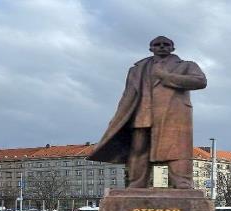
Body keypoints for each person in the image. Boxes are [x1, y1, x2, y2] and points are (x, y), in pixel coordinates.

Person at [88, 36, 207, 188]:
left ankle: (182, 182)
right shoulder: (136, 69)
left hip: (173, 114)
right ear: (151, 48)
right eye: (157, 44)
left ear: (173, 48)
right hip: (142, 112)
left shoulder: (186, 65)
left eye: (166, 44)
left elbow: (200, 81)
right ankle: (137, 183)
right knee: (139, 149)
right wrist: (119, 117)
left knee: (177, 150)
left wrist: (167, 77)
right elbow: (127, 94)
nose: (162, 47)